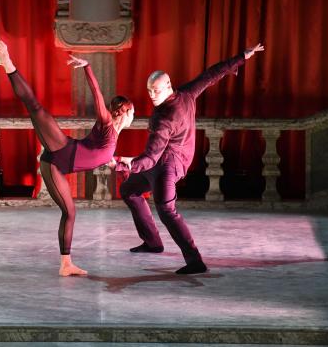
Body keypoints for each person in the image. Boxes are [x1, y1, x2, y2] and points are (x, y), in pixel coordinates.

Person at [114, 43, 265, 274]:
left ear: (168, 87)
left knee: (166, 210)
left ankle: (195, 261)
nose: (152, 95)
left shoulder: (165, 118)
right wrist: (241, 57)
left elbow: (152, 157)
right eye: (149, 90)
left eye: (156, 90)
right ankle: (153, 243)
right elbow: (210, 75)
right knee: (129, 190)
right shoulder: (186, 93)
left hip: (168, 164)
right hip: (166, 159)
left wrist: (130, 163)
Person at [0, 40, 134, 276]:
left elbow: (104, 159)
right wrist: (88, 67)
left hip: (56, 165)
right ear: (127, 113)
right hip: (62, 149)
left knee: (70, 213)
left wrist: (123, 163)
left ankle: (66, 264)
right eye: (133, 113)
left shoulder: (112, 142)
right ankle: (7, 63)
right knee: (36, 107)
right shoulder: (107, 124)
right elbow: (99, 97)